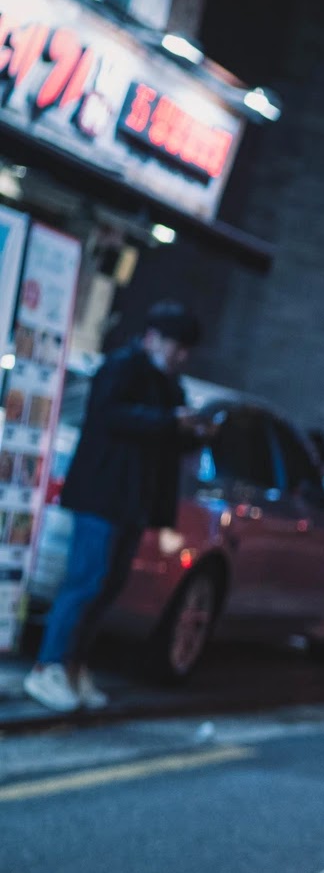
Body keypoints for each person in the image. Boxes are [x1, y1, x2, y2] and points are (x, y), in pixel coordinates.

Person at [22, 302, 210, 714]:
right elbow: (111, 416)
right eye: (177, 346)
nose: (181, 356)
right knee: (86, 581)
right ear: (153, 338)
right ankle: (48, 665)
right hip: (102, 495)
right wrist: (169, 421)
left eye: (186, 349)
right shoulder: (121, 367)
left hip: (133, 502)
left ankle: (74, 665)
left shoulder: (170, 385)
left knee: (107, 587)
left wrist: (193, 432)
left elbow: (167, 438)